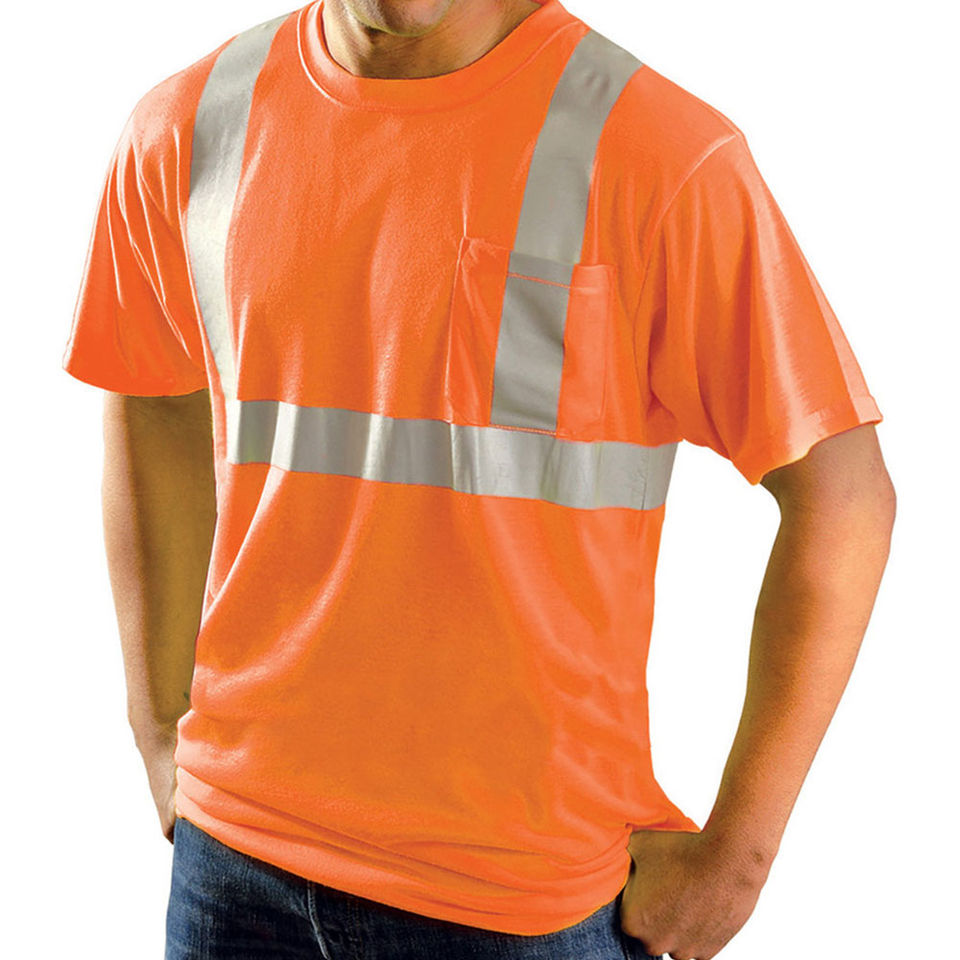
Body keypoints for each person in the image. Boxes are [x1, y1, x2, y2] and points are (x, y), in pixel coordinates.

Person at [60, 0, 895, 957]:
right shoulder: (190, 126)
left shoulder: (653, 150)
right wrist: (158, 723)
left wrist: (736, 859)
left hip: (521, 900)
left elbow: (843, 497)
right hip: (232, 866)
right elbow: (154, 395)